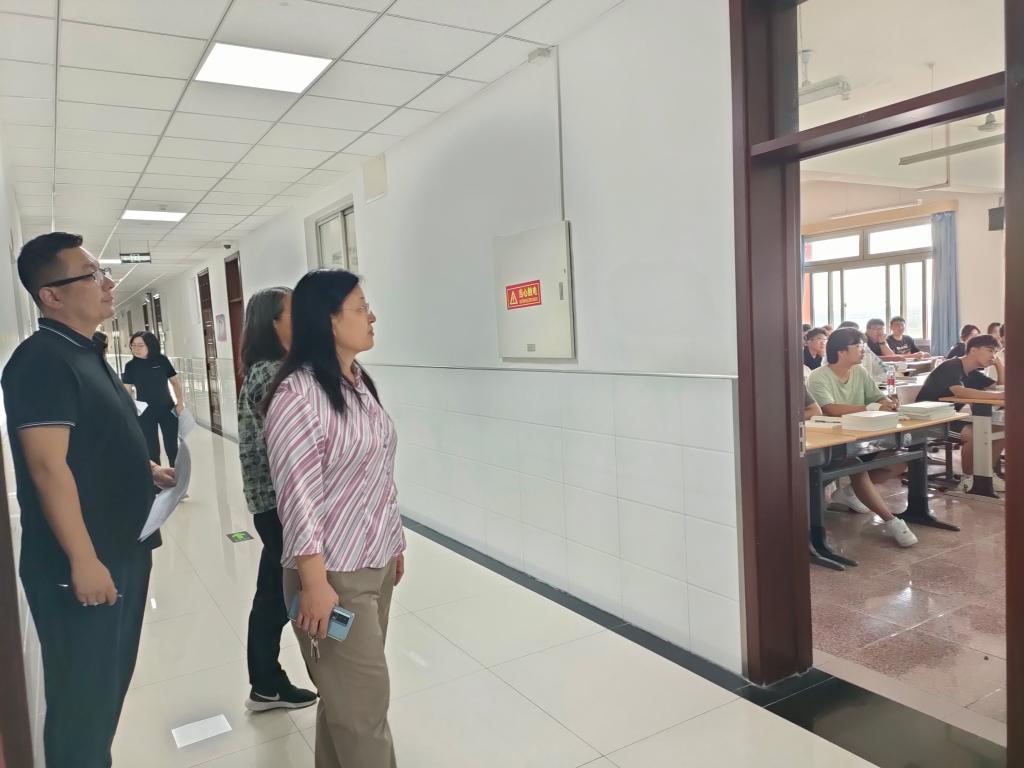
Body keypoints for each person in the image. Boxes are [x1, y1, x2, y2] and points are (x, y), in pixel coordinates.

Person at [1, 232, 176, 768]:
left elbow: (91, 443)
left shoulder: (87, 353)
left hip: (122, 549)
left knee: (106, 693)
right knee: (84, 707)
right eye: (92, 274)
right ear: (51, 295)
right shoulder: (41, 361)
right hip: (84, 564)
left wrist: (146, 469)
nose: (107, 283)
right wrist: (83, 560)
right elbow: (47, 467)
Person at [264, 270, 406, 768]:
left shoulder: (357, 382)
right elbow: (298, 497)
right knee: (364, 712)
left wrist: (394, 542)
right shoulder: (296, 397)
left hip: (374, 564)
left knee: (346, 701)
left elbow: (377, 470)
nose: (372, 317)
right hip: (332, 578)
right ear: (327, 320)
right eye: (361, 308)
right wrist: (313, 583)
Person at [238, 287, 318, 712]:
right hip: (282, 504)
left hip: (275, 503)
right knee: (283, 593)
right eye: (294, 312)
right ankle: (268, 680)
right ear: (273, 323)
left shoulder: (273, 369)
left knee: (272, 591)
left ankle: (266, 683)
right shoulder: (273, 374)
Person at [806, 327, 918, 547]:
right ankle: (891, 521)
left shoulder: (859, 372)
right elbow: (830, 409)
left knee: (900, 461)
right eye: (858, 347)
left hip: (864, 434)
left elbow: (877, 396)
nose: (863, 351)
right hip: (833, 440)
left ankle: (850, 492)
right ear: (841, 351)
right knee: (855, 465)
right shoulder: (819, 376)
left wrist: (887, 403)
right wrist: (871, 407)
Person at [917, 334, 1005, 491]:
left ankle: (986, 475)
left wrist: (999, 365)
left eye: (995, 352)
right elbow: (959, 391)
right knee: (976, 435)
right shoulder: (951, 366)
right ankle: (968, 479)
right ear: (973, 350)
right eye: (990, 350)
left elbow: (999, 387)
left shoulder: (972, 372)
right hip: (930, 420)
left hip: (949, 417)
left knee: (1001, 431)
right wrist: (998, 396)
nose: (993, 356)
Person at [123, 330, 183, 467]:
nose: (136, 349)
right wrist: (128, 410)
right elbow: (127, 390)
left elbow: (175, 382)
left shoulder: (162, 360)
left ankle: (176, 474)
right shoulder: (130, 366)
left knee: (172, 447)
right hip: (145, 412)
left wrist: (180, 403)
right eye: (133, 345)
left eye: (140, 345)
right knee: (151, 449)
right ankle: (157, 479)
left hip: (167, 409)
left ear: (150, 345)